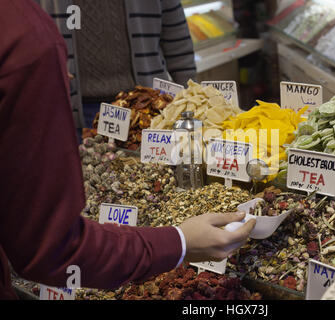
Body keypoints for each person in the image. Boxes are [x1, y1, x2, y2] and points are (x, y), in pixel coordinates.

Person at [0, 0, 255, 300]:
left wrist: (192, 101)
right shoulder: (25, 38)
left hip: (146, 101)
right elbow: (51, 246)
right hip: (83, 109)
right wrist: (180, 242)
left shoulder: (23, 34)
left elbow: (176, 38)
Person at [36, 0, 197, 129]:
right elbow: (25, 29)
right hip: (73, 108)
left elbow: (177, 36)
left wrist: (190, 99)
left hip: (146, 106)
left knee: (149, 168)